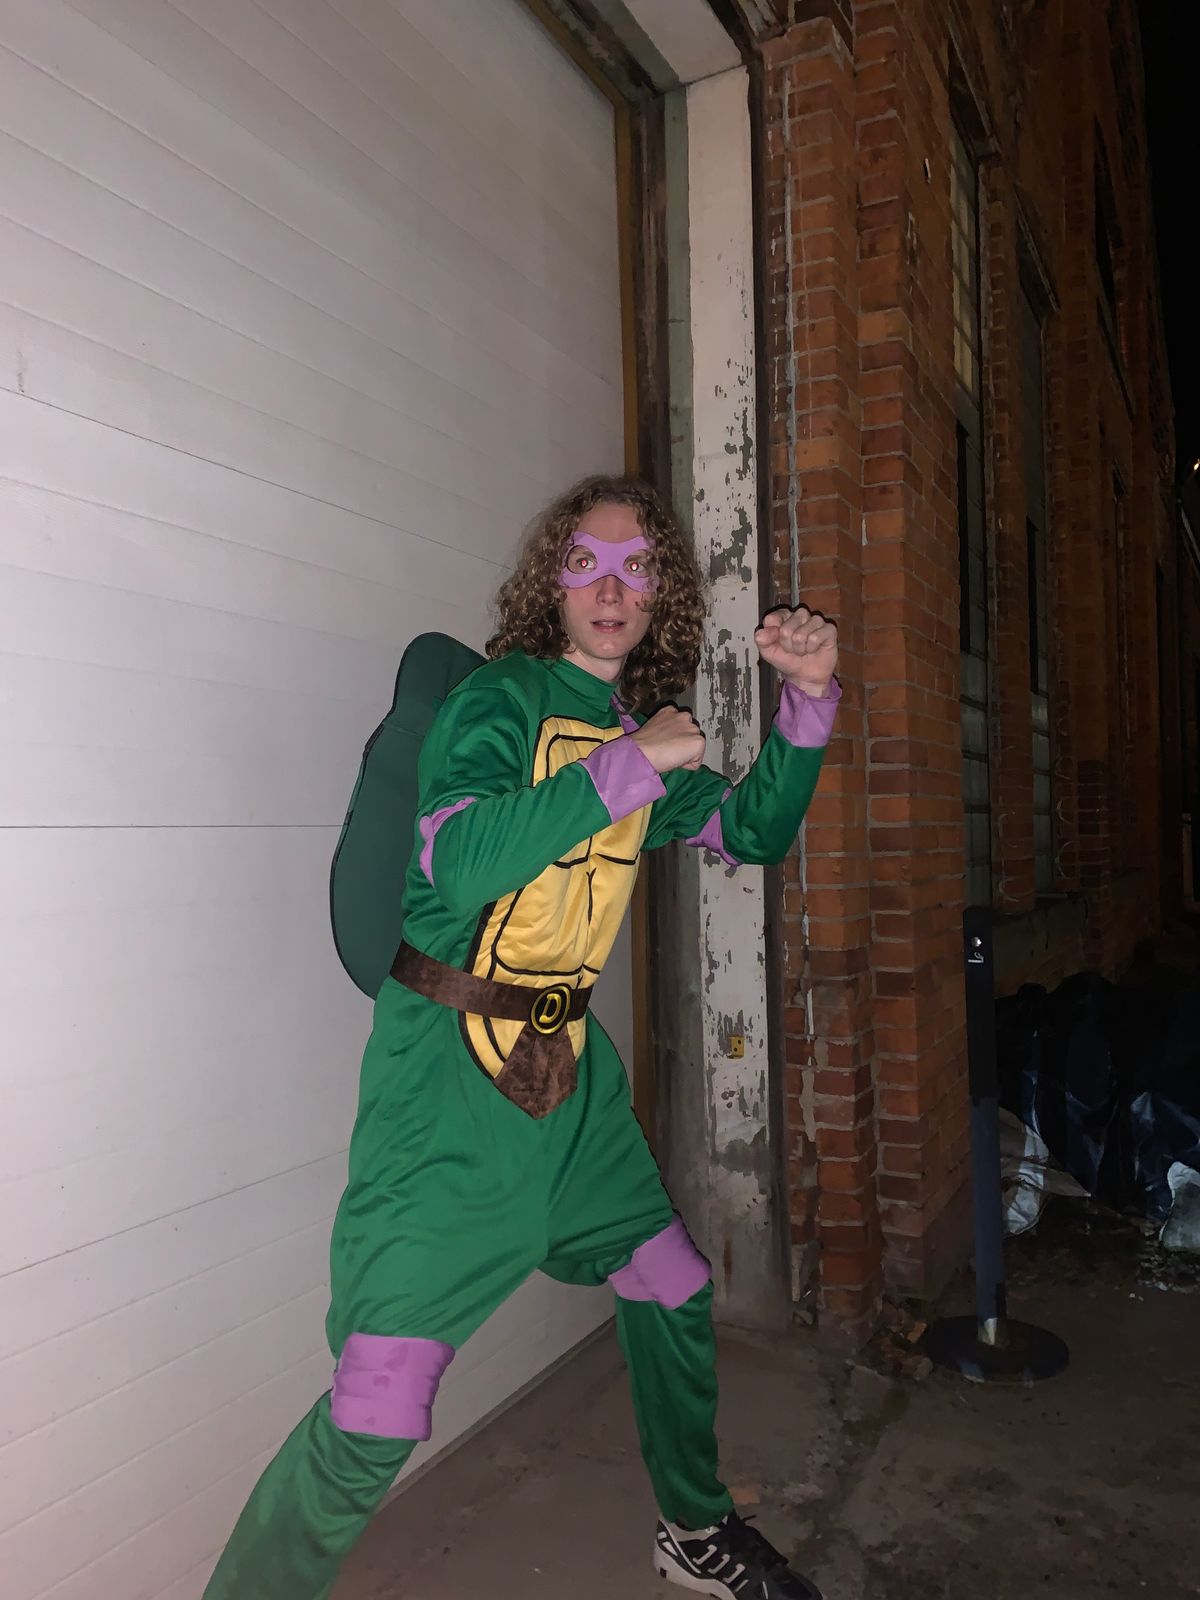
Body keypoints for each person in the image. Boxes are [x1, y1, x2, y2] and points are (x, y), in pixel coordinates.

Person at [204, 475, 839, 1600]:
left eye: (637, 567)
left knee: (669, 1282)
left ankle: (693, 1529)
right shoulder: (500, 701)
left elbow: (750, 831)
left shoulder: (634, 730)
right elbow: (460, 864)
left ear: (663, 593)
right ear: (551, 581)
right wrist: (634, 764)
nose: (612, 587)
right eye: (587, 563)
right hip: (449, 1076)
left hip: (571, 1081)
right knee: (377, 1408)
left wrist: (808, 700)